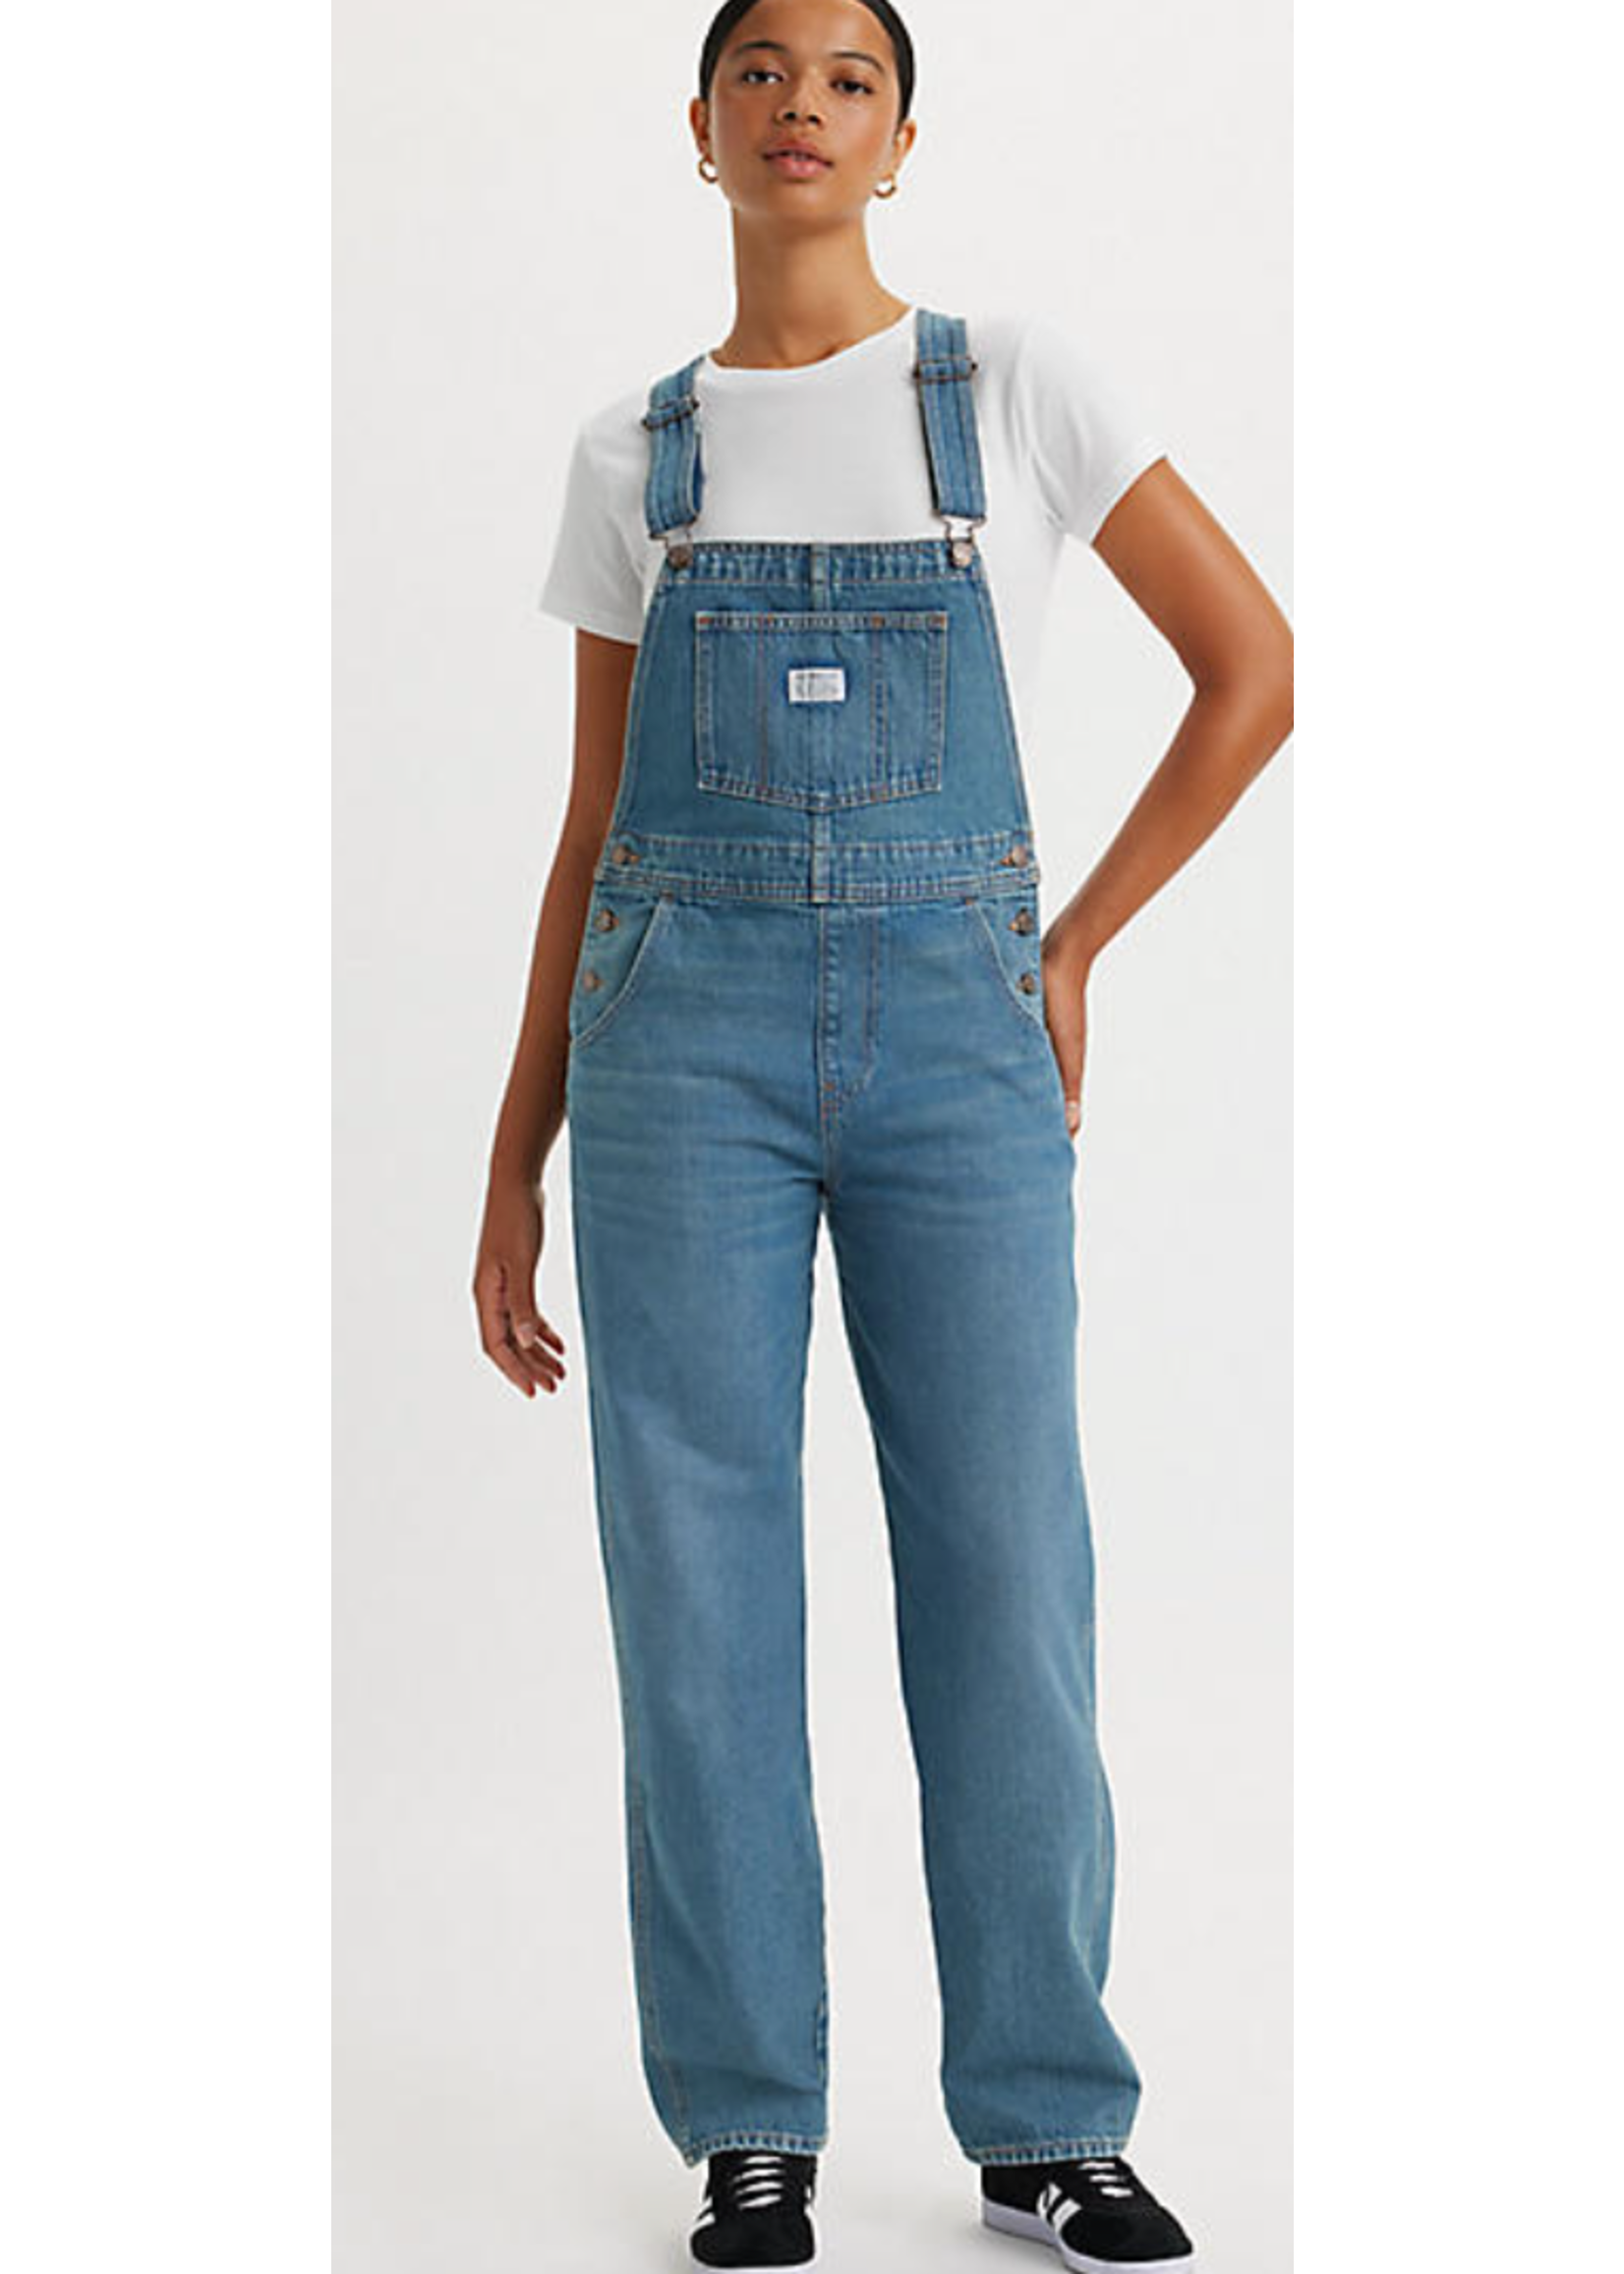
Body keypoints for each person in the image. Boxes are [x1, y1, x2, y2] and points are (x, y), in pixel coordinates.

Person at [472, 1, 1293, 2265]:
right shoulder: (633, 449)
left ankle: (1044, 2114)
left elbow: (1255, 664)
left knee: (1009, 1570)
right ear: (701, 127)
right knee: (698, 1590)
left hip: (960, 1045)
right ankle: (750, 2117)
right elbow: (590, 830)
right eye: (760, 72)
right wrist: (509, 1156)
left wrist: (1076, 945)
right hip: (676, 1055)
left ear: (902, 137)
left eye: (847, 77)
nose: (801, 105)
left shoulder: (1007, 384)